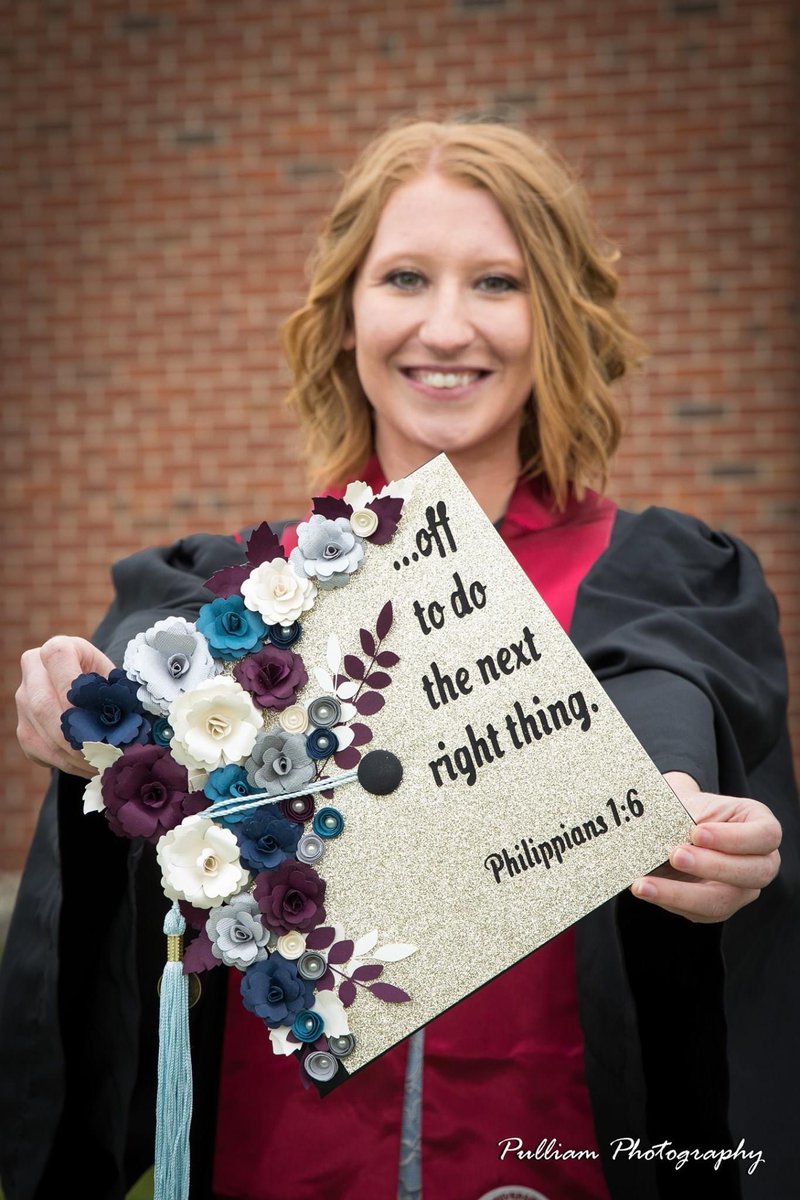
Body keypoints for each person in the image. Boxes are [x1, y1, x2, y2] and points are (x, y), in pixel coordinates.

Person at [1, 118, 795, 1200]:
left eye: (497, 283)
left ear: (554, 316)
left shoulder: (666, 585)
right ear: (345, 318)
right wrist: (82, 737)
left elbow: (728, 844)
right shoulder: (232, 611)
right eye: (405, 277)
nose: (445, 325)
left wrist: (736, 868)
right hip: (286, 1165)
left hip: (553, 1157)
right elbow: (124, 921)